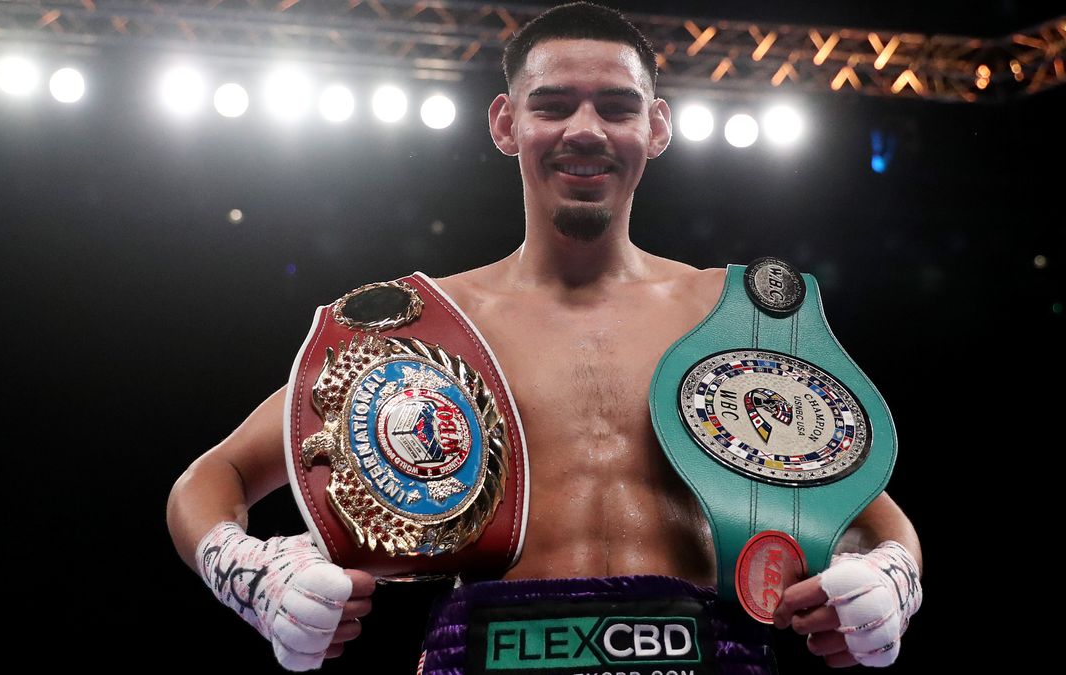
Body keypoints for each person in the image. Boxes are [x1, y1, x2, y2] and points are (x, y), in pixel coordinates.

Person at [166, 3, 924, 673]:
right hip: (485, 653)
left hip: (713, 649)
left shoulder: (729, 314)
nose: (585, 130)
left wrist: (888, 582)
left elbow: (863, 505)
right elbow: (211, 476)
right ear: (506, 123)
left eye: (617, 107)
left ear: (656, 127)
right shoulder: (430, 323)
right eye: (554, 104)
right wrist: (253, 576)